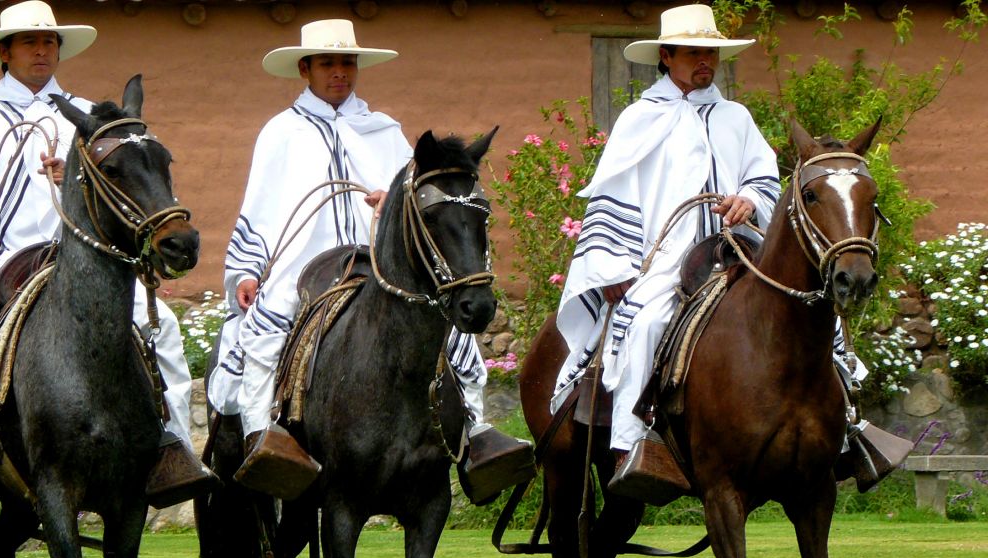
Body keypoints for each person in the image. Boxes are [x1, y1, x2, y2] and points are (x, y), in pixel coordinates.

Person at [0, 0, 200, 502]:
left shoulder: (86, 119)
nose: (42, 51)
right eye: (31, 43)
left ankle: (173, 448)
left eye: (50, 42)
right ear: (6, 52)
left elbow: (117, 190)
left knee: (161, 323)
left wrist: (73, 181)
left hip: (71, 264)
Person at [208, 18, 527, 499]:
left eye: (347, 63)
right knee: (265, 330)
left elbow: (417, 202)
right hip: (306, 260)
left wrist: (391, 200)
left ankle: (475, 433)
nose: (340, 72)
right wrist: (248, 270)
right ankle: (263, 436)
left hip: (377, 258)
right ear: (306, 68)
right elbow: (262, 205)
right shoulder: (282, 132)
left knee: (449, 333)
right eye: (329, 63)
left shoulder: (383, 130)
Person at [548, 4, 781, 497]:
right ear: (666, 56)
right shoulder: (640, 118)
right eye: (695, 52)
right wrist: (612, 267)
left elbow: (765, 177)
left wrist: (750, 198)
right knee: (649, 321)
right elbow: (611, 197)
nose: (705, 61)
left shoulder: (736, 117)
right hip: (667, 260)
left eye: (711, 52)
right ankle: (632, 445)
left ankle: (841, 427)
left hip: (740, 252)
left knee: (805, 305)